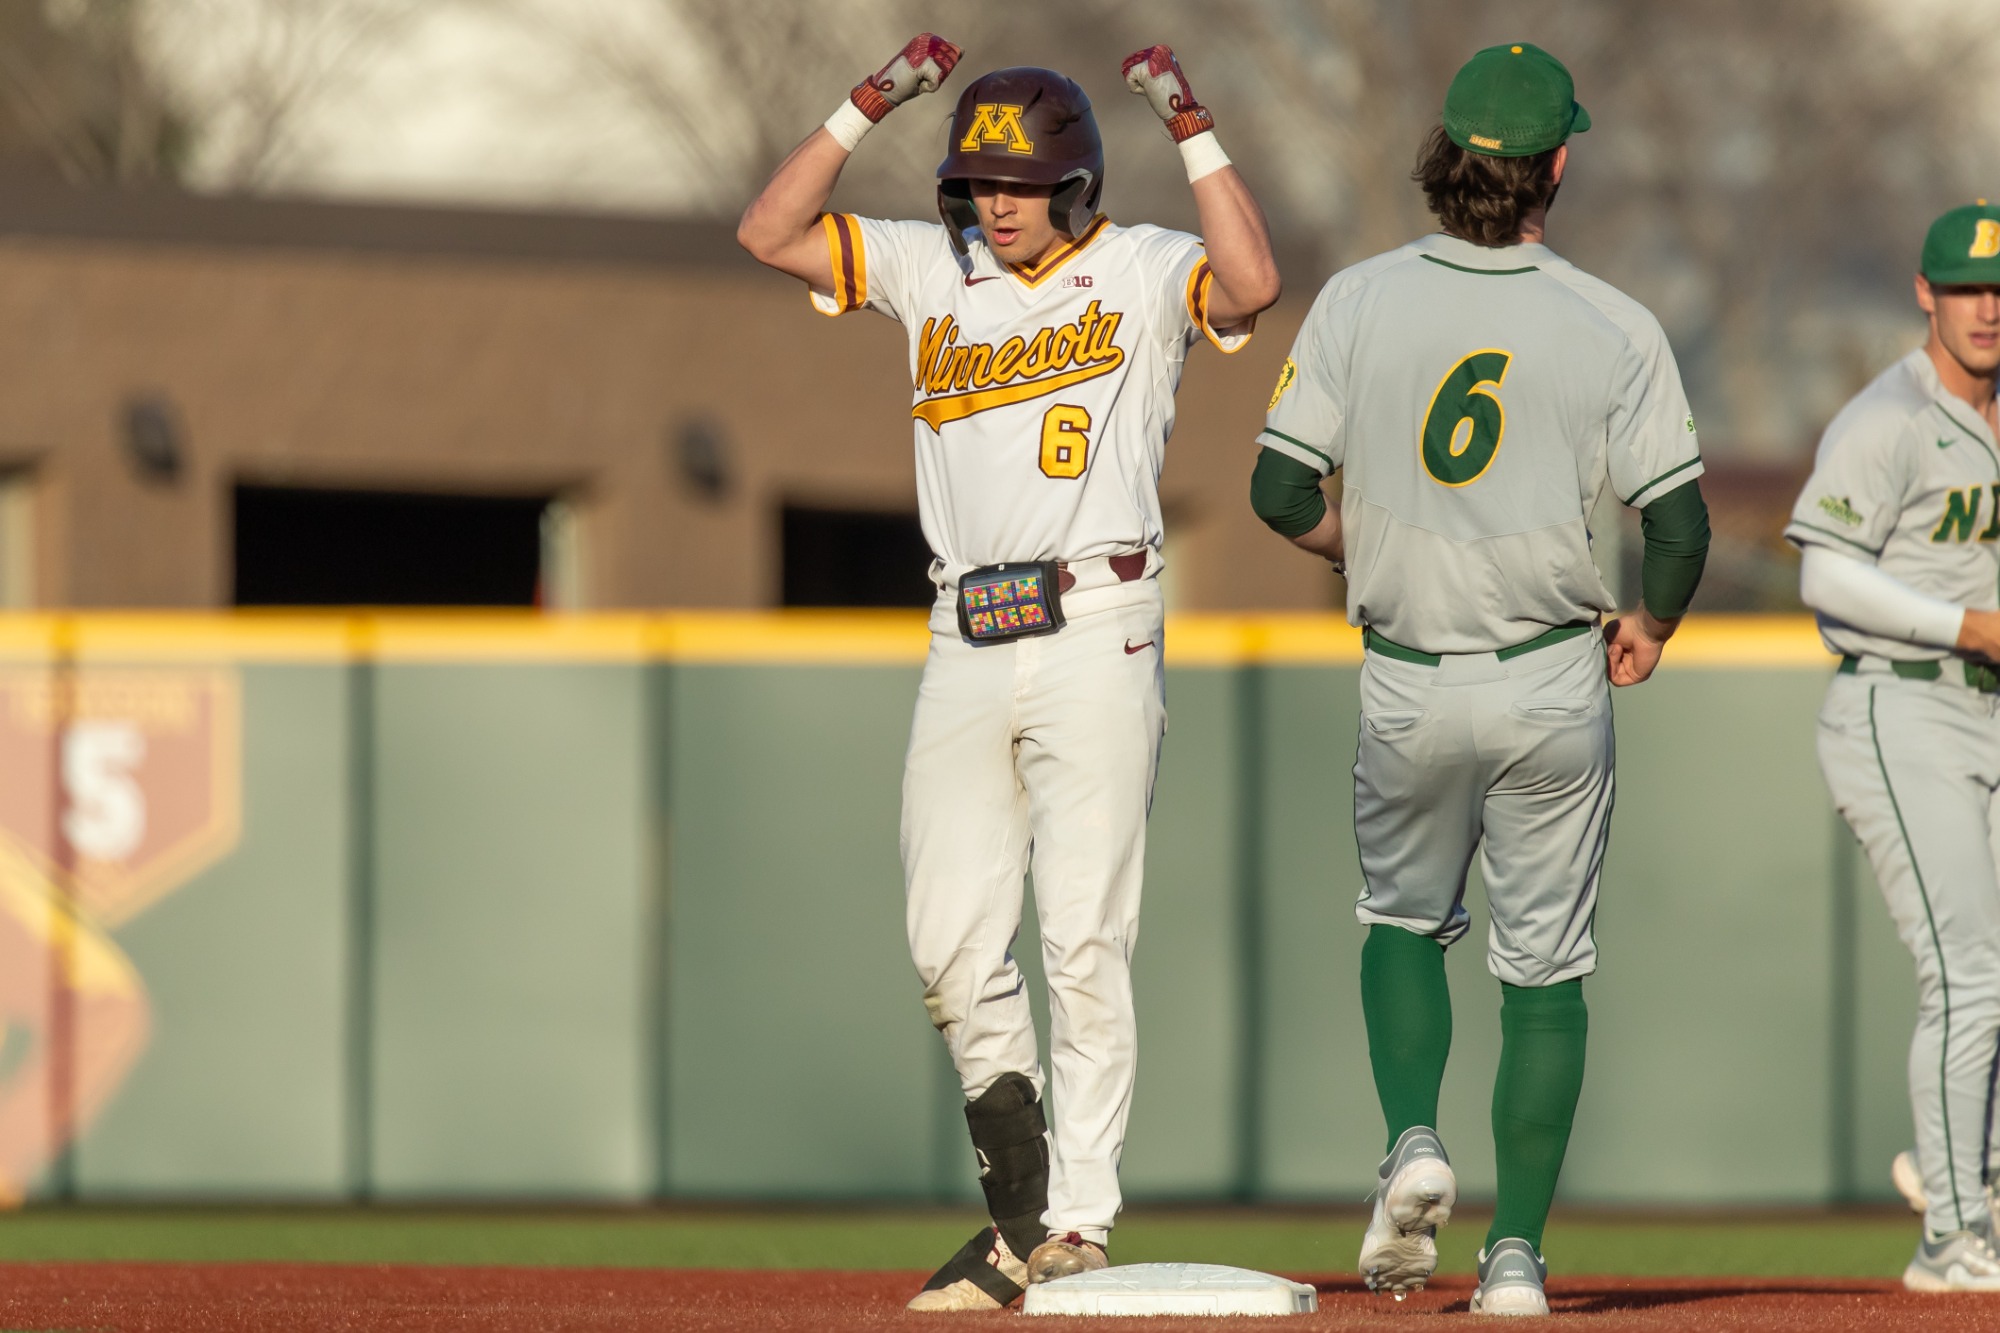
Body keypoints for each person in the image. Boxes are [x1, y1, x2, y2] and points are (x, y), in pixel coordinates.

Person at [737, 34, 1280, 1311]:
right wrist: (863, 103)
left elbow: (1250, 280)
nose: (996, 202)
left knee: (1082, 933)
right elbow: (769, 231)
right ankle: (1020, 1215)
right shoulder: (939, 269)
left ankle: (1077, 1221)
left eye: (1020, 182)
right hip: (963, 634)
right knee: (948, 942)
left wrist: (1192, 125)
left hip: (1099, 621)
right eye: (980, 182)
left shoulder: (1143, 270)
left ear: (1076, 185)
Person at [1249, 42, 1710, 1316]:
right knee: (1543, 972)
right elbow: (1676, 528)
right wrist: (1652, 627)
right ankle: (1513, 1257)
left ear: (1447, 158)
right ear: (1557, 164)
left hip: (1405, 672)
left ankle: (1410, 1138)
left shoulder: (1355, 298)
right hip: (1552, 673)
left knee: (1400, 924)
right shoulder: (1611, 320)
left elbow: (1275, 489)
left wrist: (1376, 541)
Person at [1789, 201, 2000, 1292]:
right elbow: (1819, 573)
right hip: (1897, 702)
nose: (1984, 306)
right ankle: (1947, 1239)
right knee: (1966, 974)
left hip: (1984, 707)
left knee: (1991, 976)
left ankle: (1974, 1186)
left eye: (1997, 287)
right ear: (1924, 293)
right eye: (1963, 287)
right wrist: (1961, 624)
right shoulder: (1887, 416)